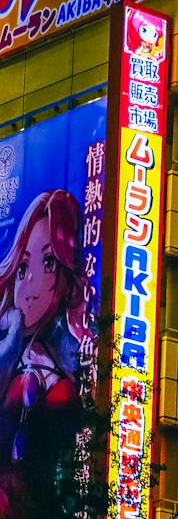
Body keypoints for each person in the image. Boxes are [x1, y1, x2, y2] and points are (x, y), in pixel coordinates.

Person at [0, 189, 86, 466]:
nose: (30, 289)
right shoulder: (8, 341)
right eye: (23, 267)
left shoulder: (65, 358)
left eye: (48, 263)